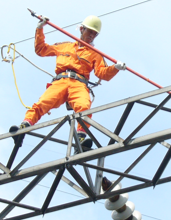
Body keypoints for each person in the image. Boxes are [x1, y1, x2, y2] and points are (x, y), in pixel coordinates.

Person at [14, 15, 126, 150]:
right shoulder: (64, 46)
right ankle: (24, 126)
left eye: (94, 34)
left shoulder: (95, 54)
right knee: (42, 104)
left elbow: (102, 74)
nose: (92, 35)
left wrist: (115, 68)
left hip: (79, 84)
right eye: (90, 31)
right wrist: (39, 29)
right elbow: (41, 49)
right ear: (82, 29)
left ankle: (80, 138)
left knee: (84, 106)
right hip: (60, 81)